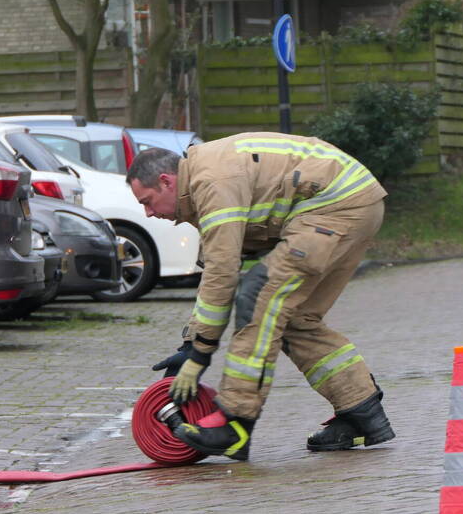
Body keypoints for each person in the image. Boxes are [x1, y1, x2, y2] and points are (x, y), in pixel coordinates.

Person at [127, 132, 393, 461]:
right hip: (355, 203)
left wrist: (198, 354)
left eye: (147, 201)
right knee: (294, 318)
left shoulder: (212, 180)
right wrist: (190, 344)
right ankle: (361, 412)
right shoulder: (203, 182)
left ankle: (236, 424)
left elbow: (223, 272)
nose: (149, 214)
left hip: (336, 207)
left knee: (259, 299)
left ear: (167, 181)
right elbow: (215, 265)